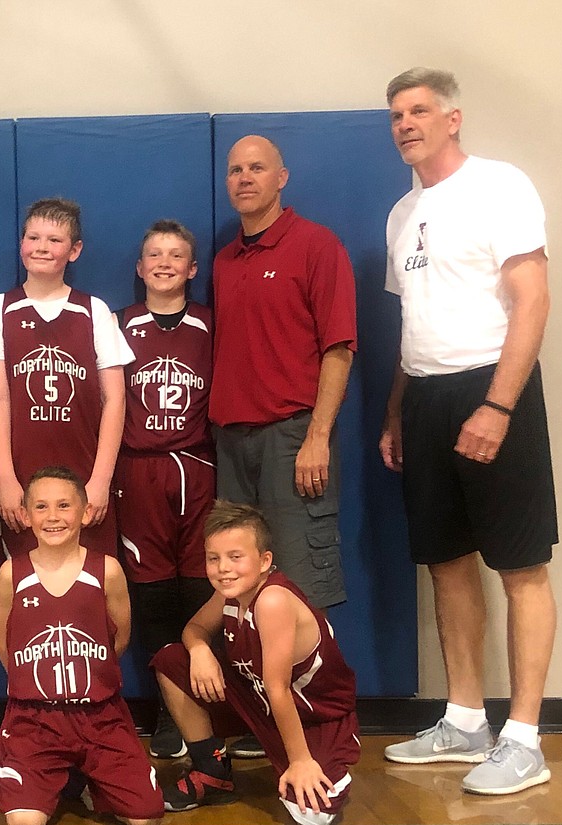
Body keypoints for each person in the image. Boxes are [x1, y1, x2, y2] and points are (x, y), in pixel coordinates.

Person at [380, 68, 558, 796]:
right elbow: (411, 324)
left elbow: (533, 300)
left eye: (418, 110)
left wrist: (499, 406)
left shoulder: (499, 185)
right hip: (424, 397)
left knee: (519, 566)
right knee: (448, 563)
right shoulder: (400, 213)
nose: (404, 124)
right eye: (395, 114)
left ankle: (524, 738)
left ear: (453, 118)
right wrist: (397, 410)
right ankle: (464, 719)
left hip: (492, 389)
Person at [211, 137, 357, 759]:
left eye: (257, 168)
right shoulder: (223, 262)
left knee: (299, 581)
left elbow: (339, 347)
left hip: (292, 434)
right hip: (231, 438)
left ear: (282, 178)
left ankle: (324, 728)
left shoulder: (316, 245)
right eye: (236, 170)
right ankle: (265, 720)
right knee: (238, 584)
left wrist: (318, 435)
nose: (245, 178)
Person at [152, 501, 359, 825]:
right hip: (263, 703)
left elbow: (278, 689)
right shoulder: (229, 593)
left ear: (265, 561)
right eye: (213, 558)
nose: (223, 568)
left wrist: (301, 761)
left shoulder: (272, 599)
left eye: (236, 557)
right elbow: (193, 629)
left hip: (314, 718)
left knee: (313, 815)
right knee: (171, 659)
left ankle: (313, 761)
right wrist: (200, 650)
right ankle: (211, 771)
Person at [0, 466, 164, 825]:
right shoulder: (11, 574)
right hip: (34, 718)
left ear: (85, 512)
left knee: (145, 819)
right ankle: (54, 776)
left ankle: (84, 776)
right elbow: (7, 645)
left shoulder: (108, 570)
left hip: (99, 715)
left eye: (64, 506)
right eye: (41, 507)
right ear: (25, 515)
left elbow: (117, 639)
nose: (53, 517)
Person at [0, 197, 134, 560]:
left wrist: (100, 481)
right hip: (23, 474)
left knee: (90, 587)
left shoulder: (95, 310)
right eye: (34, 237)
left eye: (54, 240)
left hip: (83, 472)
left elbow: (115, 400)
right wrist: (6, 480)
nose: (42, 247)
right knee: (25, 588)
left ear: (74, 251)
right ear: (21, 245)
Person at [115, 220, 216, 759]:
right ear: (139, 267)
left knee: (200, 587)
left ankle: (208, 710)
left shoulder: (209, 324)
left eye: (176, 255)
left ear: (192, 269)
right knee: (152, 593)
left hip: (196, 467)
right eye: (154, 253)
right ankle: (167, 711)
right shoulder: (119, 324)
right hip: (139, 471)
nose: (164, 262)